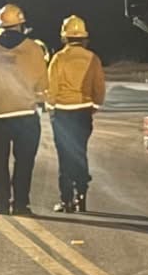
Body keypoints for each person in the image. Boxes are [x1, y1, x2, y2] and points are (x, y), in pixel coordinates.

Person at [0, 3, 47, 214]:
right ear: (21, 25)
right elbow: (43, 81)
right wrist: (39, 100)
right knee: (24, 164)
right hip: (26, 115)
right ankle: (21, 205)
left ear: (2, 26)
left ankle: (1, 203)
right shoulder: (33, 48)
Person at [46, 15, 107, 212]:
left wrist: (51, 105)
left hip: (62, 113)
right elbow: (99, 86)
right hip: (83, 112)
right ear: (84, 37)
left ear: (64, 37)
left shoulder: (58, 58)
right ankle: (81, 195)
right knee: (80, 152)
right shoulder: (93, 59)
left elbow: (51, 87)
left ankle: (66, 200)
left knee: (64, 156)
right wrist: (96, 104)